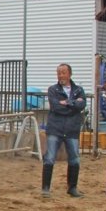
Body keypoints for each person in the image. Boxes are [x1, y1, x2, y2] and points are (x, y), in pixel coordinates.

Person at [42, 64, 87, 198]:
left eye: (63, 73)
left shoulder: (78, 89)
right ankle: (45, 188)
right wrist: (73, 103)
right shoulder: (52, 89)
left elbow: (82, 104)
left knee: (74, 159)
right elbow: (55, 107)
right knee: (49, 158)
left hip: (72, 129)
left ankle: (72, 187)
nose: (61, 75)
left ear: (69, 74)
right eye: (59, 73)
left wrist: (66, 102)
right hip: (55, 128)